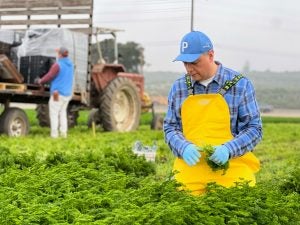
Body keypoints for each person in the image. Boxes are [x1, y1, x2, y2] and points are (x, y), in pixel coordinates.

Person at [163, 31, 263, 195]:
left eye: (194, 62)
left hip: (232, 166)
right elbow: (170, 127)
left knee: (242, 204)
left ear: (210, 55)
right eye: (185, 63)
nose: (189, 69)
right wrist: (183, 147)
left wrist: (228, 149)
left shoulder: (240, 85)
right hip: (191, 168)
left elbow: (254, 129)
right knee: (176, 205)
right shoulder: (179, 87)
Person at [36, 47, 74, 138]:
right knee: (63, 113)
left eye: (58, 53)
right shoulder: (71, 65)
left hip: (57, 94)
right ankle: (63, 134)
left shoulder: (58, 65)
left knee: (54, 114)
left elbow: (49, 76)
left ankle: (54, 135)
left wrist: (40, 81)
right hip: (67, 94)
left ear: (60, 54)